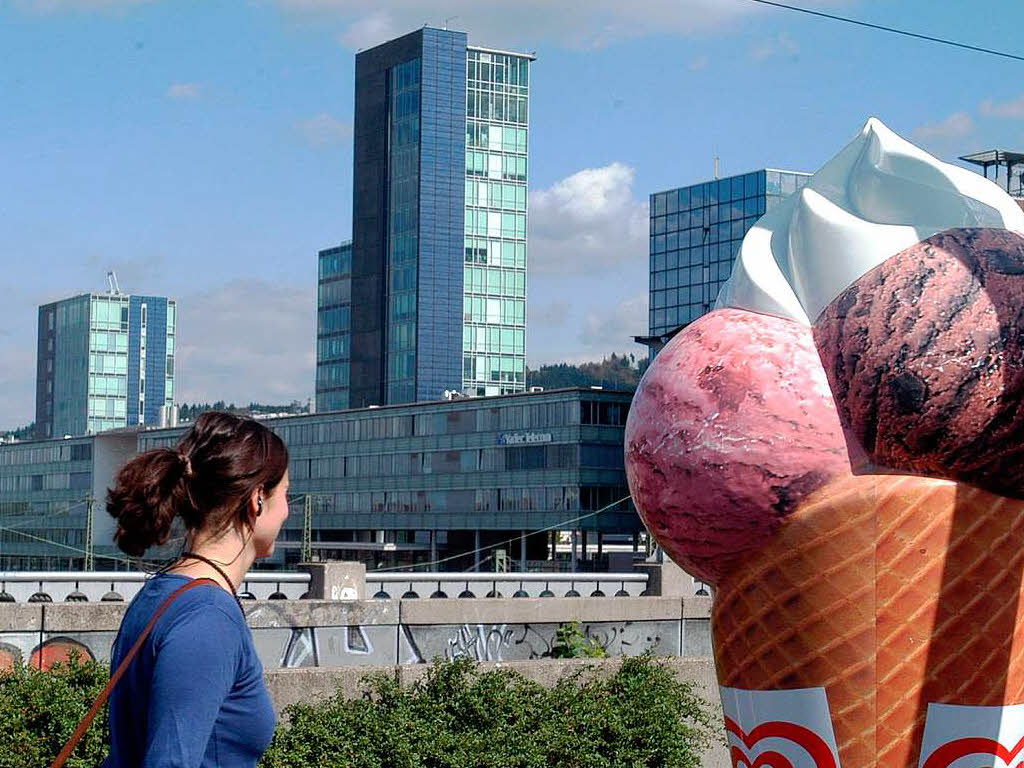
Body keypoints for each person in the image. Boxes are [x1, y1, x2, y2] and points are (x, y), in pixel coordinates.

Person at [100, 411, 290, 768]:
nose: (287, 512)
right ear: (257, 499)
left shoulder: (162, 593)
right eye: (285, 494)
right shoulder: (209, 618)